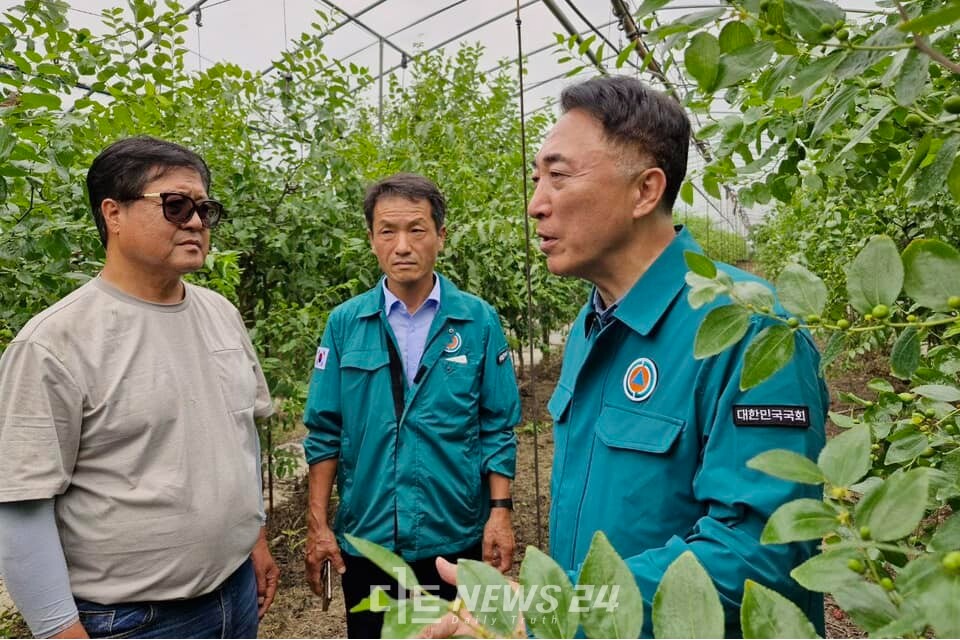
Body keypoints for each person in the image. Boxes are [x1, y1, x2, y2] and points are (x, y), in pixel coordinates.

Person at [432, 75, 828, 637]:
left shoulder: (749, 330)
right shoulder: (591, 325)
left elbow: (760, 554)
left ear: (644, 191)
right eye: (537, 178)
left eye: (559, 177)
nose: (536, 205)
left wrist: (555, 606)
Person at [0, 136, 279, 638]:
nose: (195, 221)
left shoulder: (221, 315)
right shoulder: (54, 344)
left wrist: (253, 539)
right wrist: (59, 630)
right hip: (133, 621)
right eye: (175, 205)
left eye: (204, 208)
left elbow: (241, 440)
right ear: (113, 214)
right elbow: (21, 505)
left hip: (235, 595)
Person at [302, 172, 521, 638]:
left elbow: (497, 424)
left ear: (441, 236)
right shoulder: (345, 324)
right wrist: (319, 526)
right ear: (371, 239)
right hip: (368, 539)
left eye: (416, 230)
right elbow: (323, 430)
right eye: (388, 231)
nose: (402, 245)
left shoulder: (477, 320)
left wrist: (499, 513)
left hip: (454, 536)